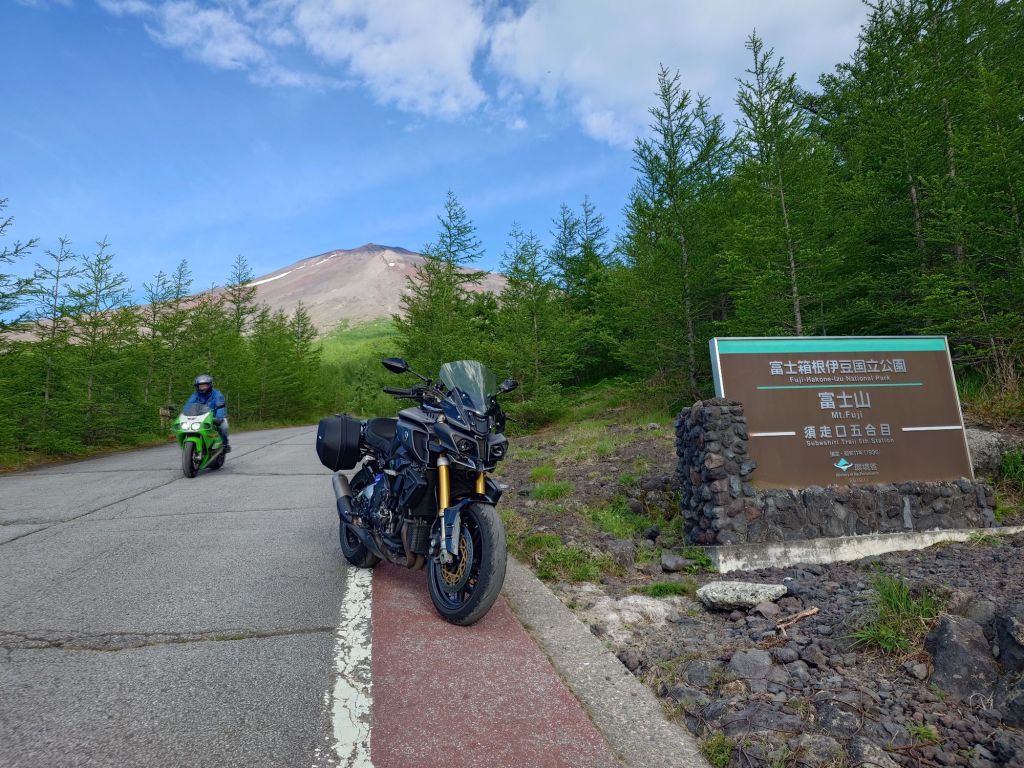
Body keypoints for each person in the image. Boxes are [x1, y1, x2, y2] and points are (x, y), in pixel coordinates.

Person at [184, 374, 230, 452]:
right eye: (201, 386)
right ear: (197, 387)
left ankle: (225, 444)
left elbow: (220, 407)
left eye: (205, 385)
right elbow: (188, 405)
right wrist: (184, 415)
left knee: (224, 426)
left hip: (215, 417)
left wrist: (219, 418)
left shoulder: (217, 394)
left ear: (210, 385)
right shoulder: (195, 395)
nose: (203, 388)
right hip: (199, 417)